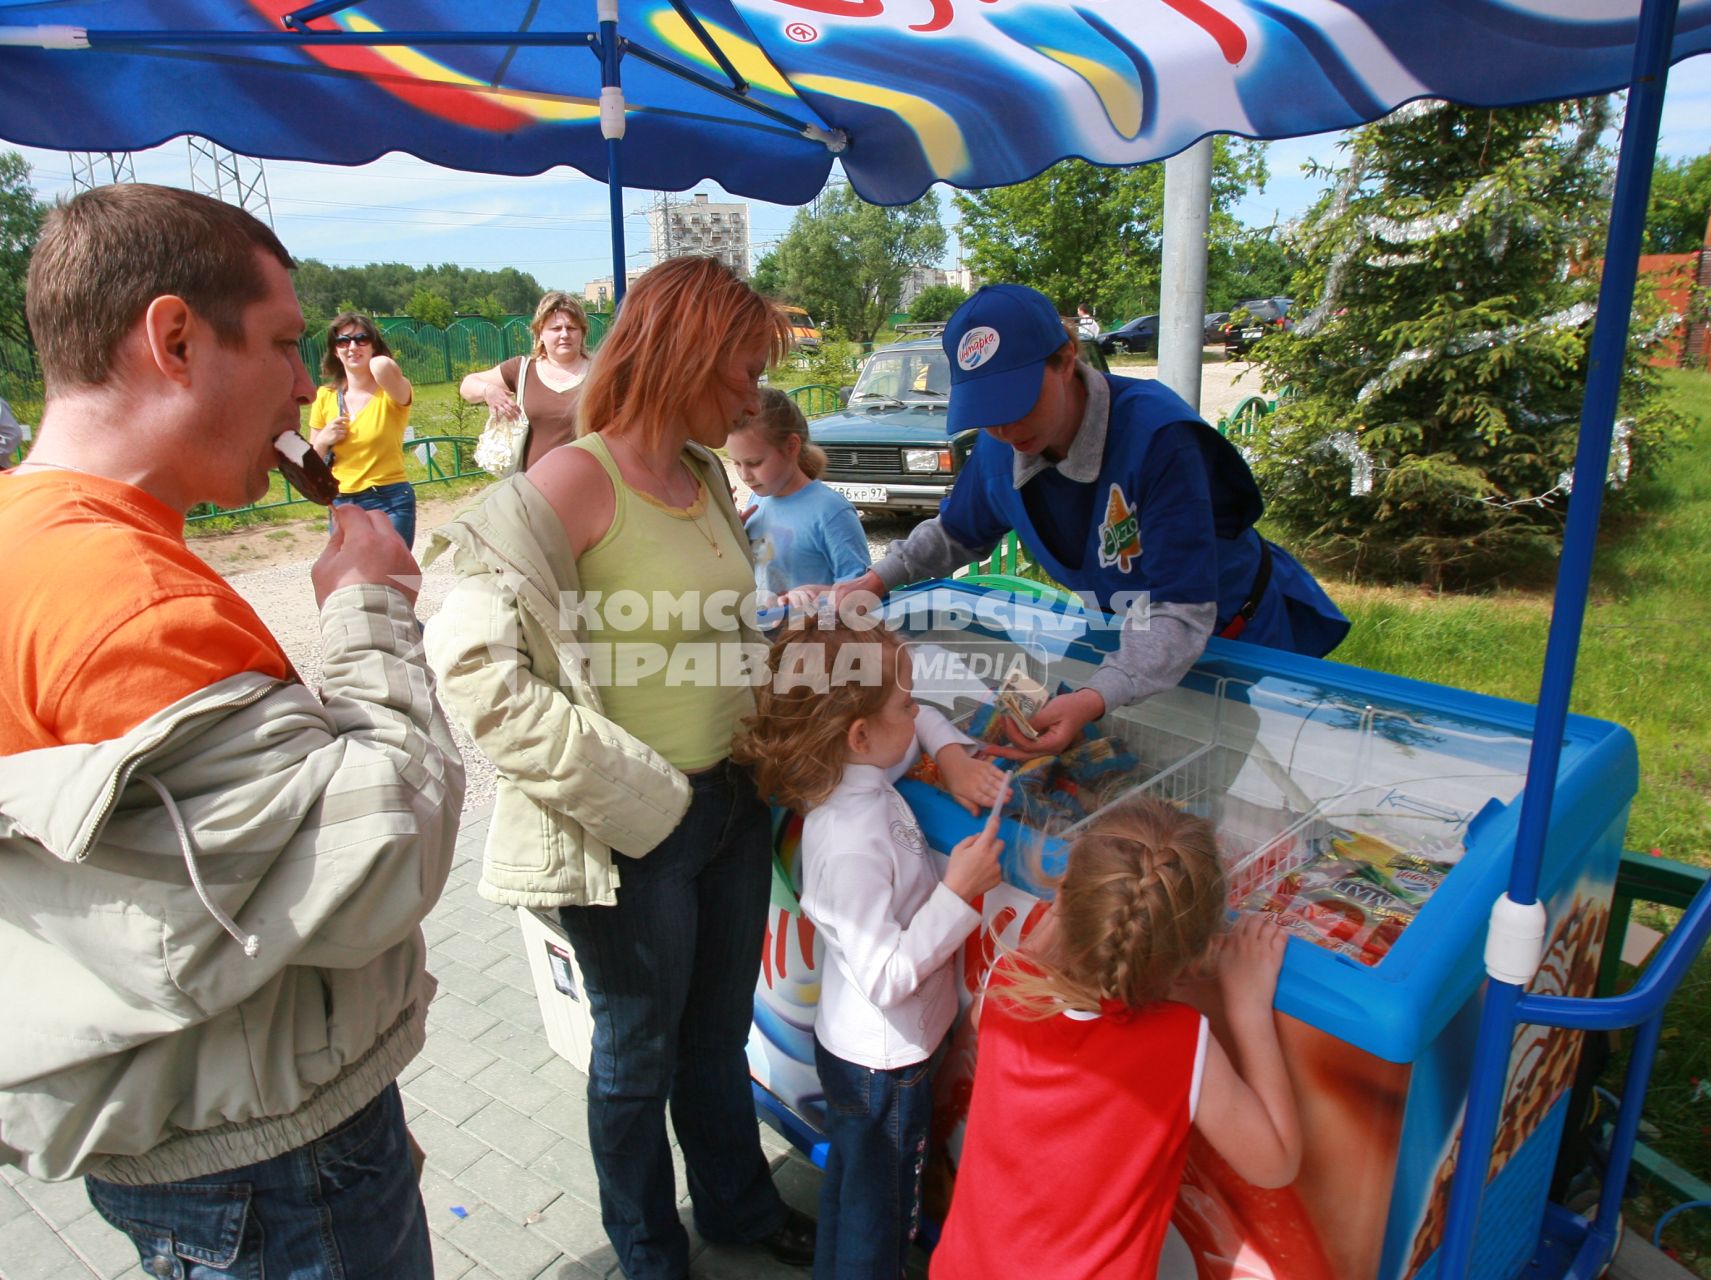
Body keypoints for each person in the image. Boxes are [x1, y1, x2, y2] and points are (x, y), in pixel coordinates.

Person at [0, 184, 464, 1279]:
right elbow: (380, 855)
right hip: (267, 1160)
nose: (308, 383)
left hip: (169, 1134)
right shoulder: (130, 601)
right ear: (173, 336)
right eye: (286, 343)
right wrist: (369, 607)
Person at [425, 256, 815, 1280]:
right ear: (682, 354)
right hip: (632, 833)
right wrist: (640, 798)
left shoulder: (703, 481)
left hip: (732, 804)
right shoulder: (570, 481)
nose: (750, 393)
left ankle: (734, 1204)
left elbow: (724, 631)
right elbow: (476, 674)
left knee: (719, 1033)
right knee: (637, 1056)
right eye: (739, 370)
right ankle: (648, 1248)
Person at [814, 284, 1349, 755]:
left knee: (1213, 785)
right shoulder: (1002, 445)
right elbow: (956, 533)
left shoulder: (1159, 440)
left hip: (1233, 640)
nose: (1003, 427)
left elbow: (1181, 613)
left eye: (1018, 401)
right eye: (987, 410)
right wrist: (874, 580)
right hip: (1124, 635)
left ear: (1066, 358)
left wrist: (1095, 697)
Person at [731, 623, 1008, 1279]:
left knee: (857, 1193)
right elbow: (886, 975)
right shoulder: (847, 842)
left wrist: (952, 755)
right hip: (882, 1070)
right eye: (905, 706)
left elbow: (925, 718)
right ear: (859, 734)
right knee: (879, 1217)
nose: (918, 715)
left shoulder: (854, 766)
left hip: (869, 1058)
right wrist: (958, 894)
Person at [931, 797, 1302, 1280]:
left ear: (1064, 895)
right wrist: (1248, 1005)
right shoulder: (1182, 1042)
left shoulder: (1009, 984)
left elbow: (986, 1013)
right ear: (1195, 953)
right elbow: (1275, 1164)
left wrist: (1059, 918)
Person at [729, 387, 870, 603]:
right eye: (736, 463)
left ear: (791, 446)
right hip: (767, 632)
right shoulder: (759, 499)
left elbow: (863, 592)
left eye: (754, 463)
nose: (744, 475)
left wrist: (815, 595)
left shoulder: (831, 511)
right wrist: (731, 535)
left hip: (814, 634)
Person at [308, 311, 418, 546]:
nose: (352, 346)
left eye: (362, 339)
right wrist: (323, 440)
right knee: (352, 577)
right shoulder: (324, 397)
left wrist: (376, 358)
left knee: (395, 575)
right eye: (343, 341)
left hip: (390, 499)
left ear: (374, 345)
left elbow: (383, 367)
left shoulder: (391, 392)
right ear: (335, 351)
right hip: (342, 501)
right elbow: (310, 464)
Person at [458, 290, 592, 470]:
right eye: (556, 328)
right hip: (533, 488)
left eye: (572, 328)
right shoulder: (522, 369)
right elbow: (468, 385)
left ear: (582, 332)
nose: (564, 334)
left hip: (590, 484)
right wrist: (488, 391)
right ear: (540, 333)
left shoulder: (602, 370)